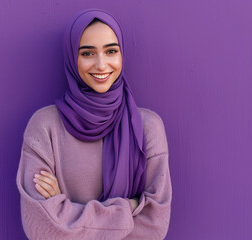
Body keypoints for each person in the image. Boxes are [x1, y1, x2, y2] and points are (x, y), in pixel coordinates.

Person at [16, 9, 171, 240]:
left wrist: (65, 212)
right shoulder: (45, 126)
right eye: (87, 53)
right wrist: (129, 207)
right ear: (72, 57)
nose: (101, 64)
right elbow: (41, 229)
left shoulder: (147, 127)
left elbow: (154, 228)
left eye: (111, 51)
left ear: (122, 55)